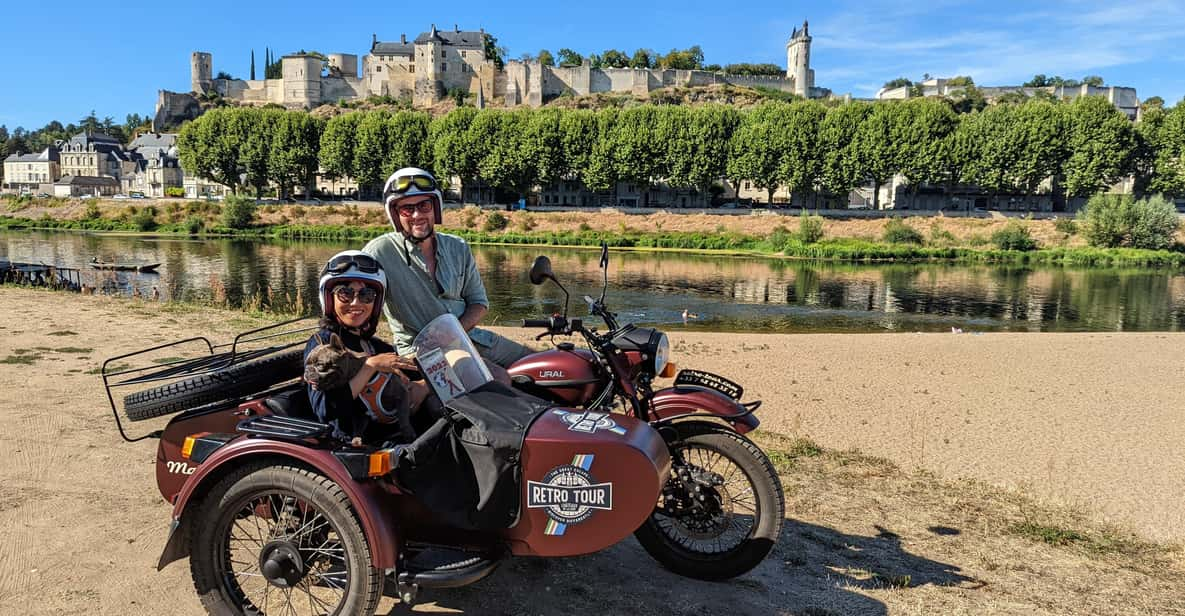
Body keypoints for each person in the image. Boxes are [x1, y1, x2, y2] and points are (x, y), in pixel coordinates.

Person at [362, 167, 532, 374]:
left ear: (435, 207)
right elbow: (356, 300)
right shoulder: (379, 252)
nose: (417, 215)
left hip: (472, 338)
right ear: (396, 215)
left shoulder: (458, 247)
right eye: (407, 209)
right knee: (498, 379)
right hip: (420, 353)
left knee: (542, 362)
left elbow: (479, 303)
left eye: (424, 205)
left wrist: (453, 333)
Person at [304, 250, 431, 447]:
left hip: (391, 431)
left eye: (366, 295)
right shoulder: (323, 343)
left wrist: (436, 369)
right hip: (353, 444)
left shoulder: (372, 344)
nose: (356, 302)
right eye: (345, 293)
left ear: (376, 301)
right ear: (329, 298)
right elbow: (324, 409)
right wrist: (370, 366)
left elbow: (412, 369)